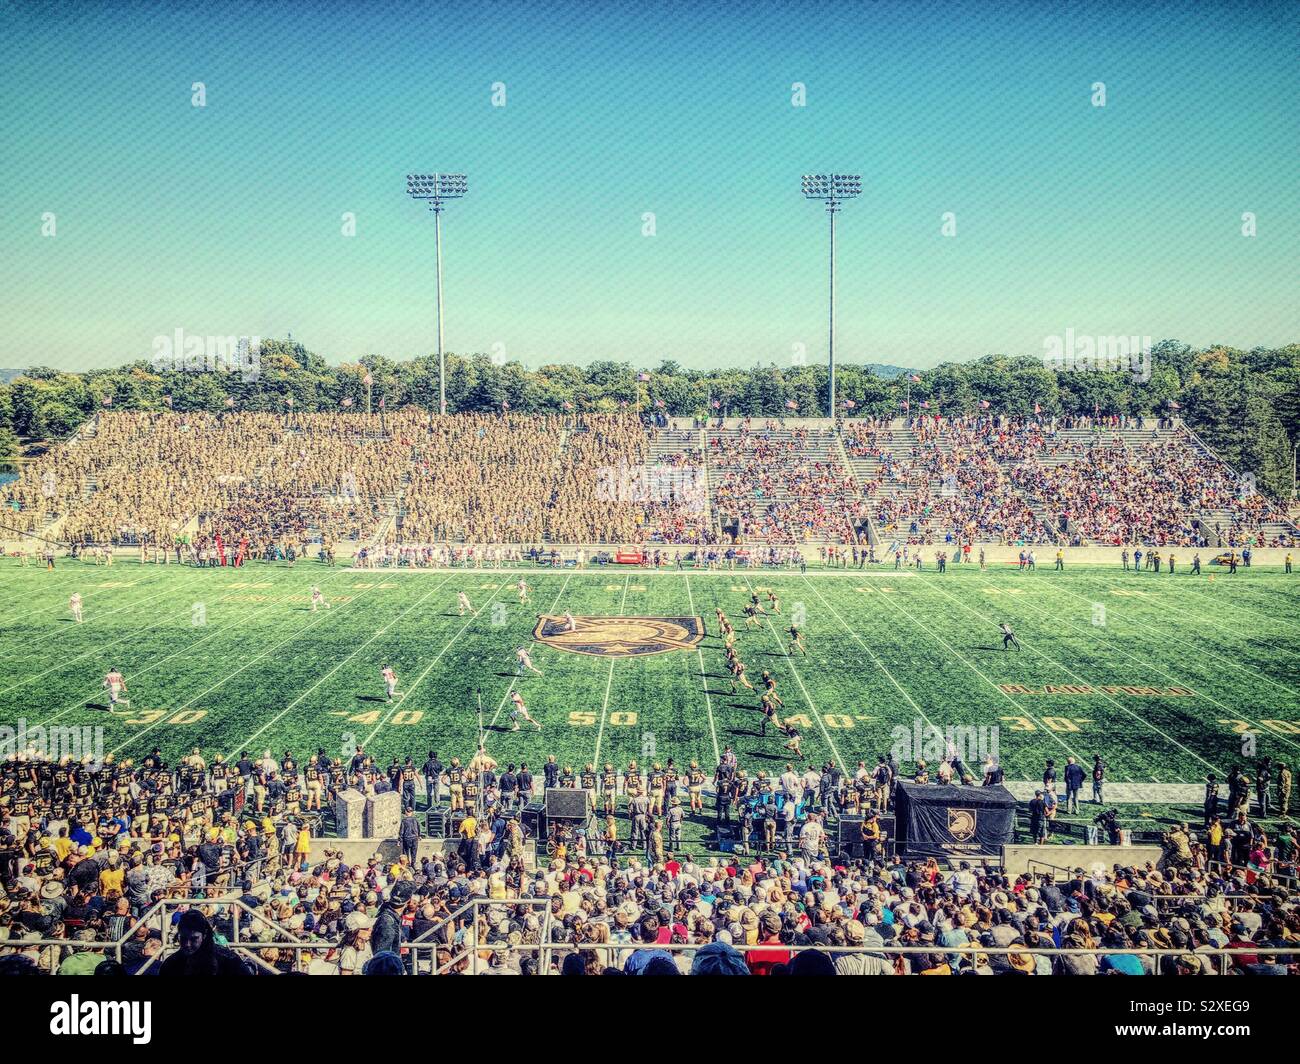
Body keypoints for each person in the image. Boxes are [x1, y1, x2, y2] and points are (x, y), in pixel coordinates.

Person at [159, 910, 252, 975]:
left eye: (194, 939)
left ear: (204, 935)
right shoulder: (172, 963)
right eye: (183, 938)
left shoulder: (228, 959)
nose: (187, 944)